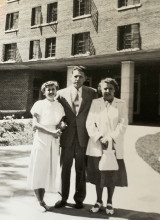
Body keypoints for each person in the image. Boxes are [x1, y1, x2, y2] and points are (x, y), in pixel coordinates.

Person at [55, 66, 97, 209]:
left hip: (83, 138)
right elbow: (57, 113)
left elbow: (96, 114)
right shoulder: (60, 94)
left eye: (80, 76)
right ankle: (63, 198)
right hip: (67, 137)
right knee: (64, 169)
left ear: (85, 78)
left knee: (81, 170)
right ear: (71, 77)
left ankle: (79, 199)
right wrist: (60, 124)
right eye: (75, 76)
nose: (77, 79)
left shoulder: (92, 93)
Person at [86, 77, 128, 215]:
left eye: (110, 88)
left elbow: (123, 124)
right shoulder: (95, 103)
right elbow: (90, 123)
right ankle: (98, 201)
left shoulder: (121, 104)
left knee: (111, 174)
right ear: (100, 90)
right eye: (105, 88)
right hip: (97, 145)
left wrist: (110, 138)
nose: (107, 91)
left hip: (114, 146)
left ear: (115, 89)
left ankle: (110, 202)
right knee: (99, 174)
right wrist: (99, 138)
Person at [27, 81, 65, 211]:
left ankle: (43, 199)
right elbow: (35, 125)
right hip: (42, 140)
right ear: (44, 92)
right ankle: (41, 201)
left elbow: (60, 122)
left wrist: (61, 127)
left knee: (48, 170)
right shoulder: (39, 104)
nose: (50, 92)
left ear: (56, 90)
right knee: (39, 169)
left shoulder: (59, 106)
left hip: (54, 141)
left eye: (53, 89)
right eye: (48, 90)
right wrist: (52, 132)